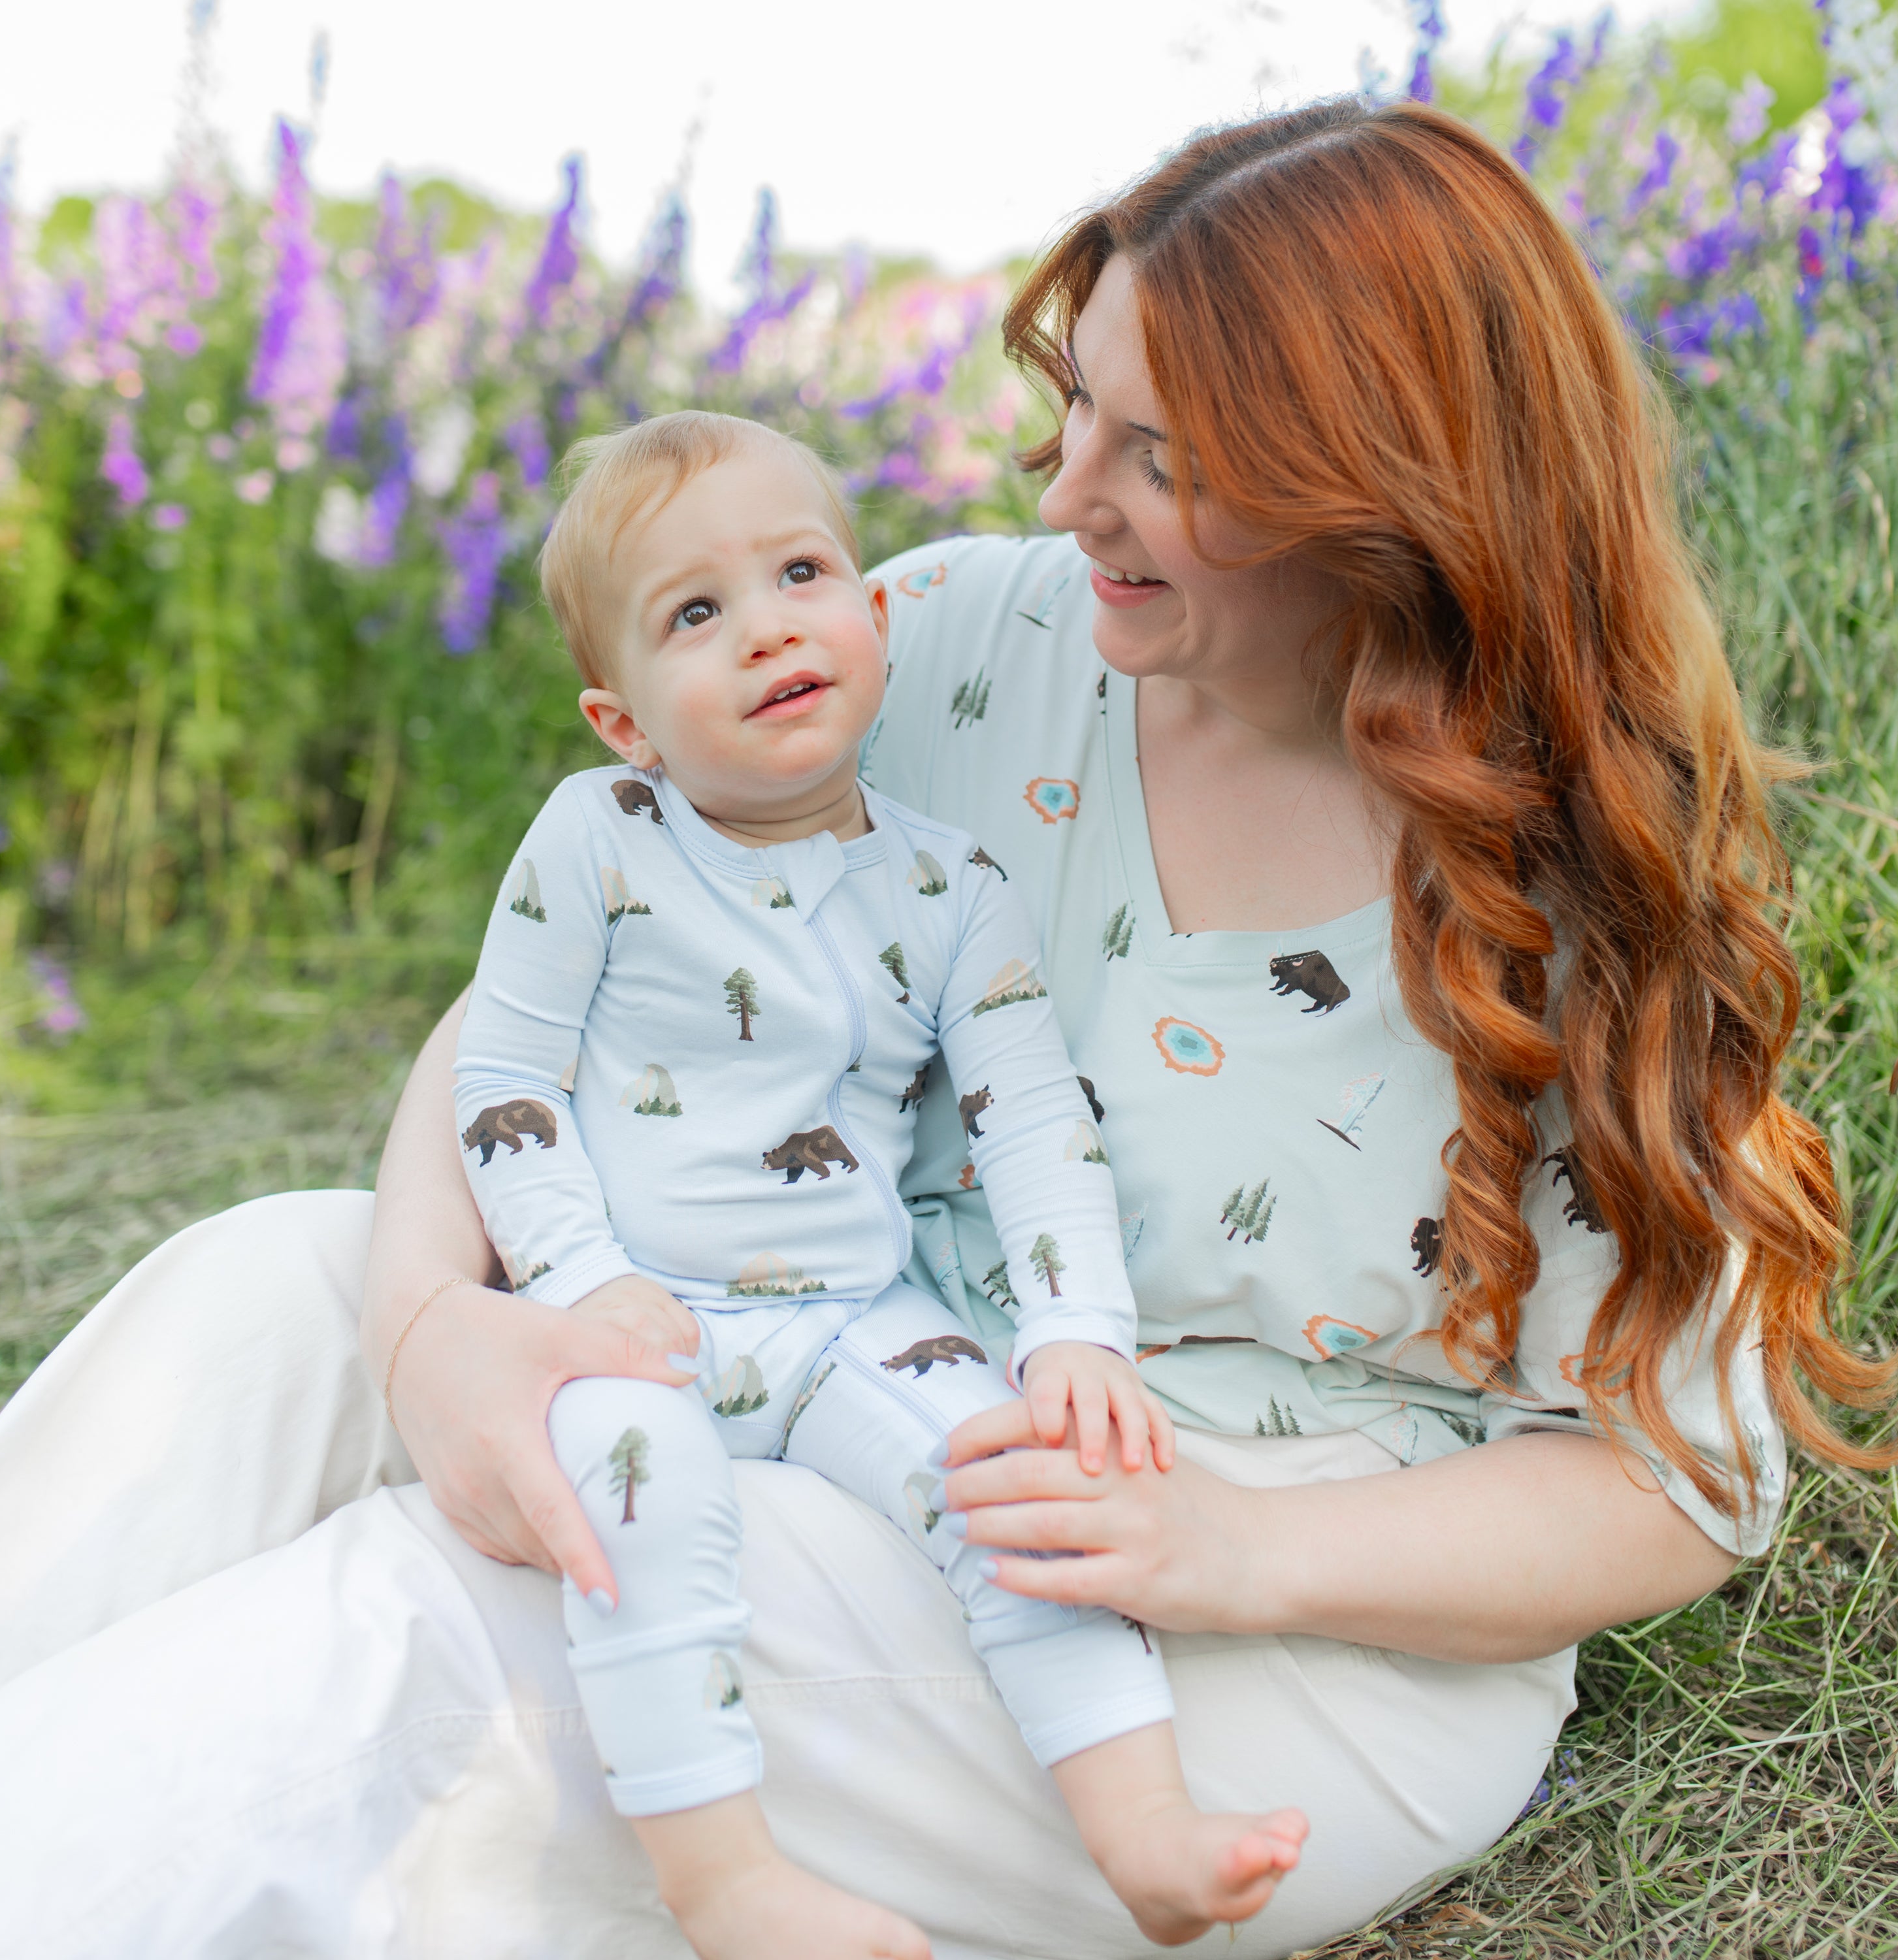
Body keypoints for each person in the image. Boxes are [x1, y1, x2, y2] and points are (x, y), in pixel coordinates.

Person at [0, 99, 1898, 1960]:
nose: (1064, 495)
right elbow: (535, 999)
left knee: (443, 1628)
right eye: (1076, 414)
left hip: (1210, 1622)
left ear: (1375, 483)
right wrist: (439, 1332)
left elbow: (1677, 1487)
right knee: (259, 1299)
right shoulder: (967, 635)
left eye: (1157, 454)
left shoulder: (1585, 882)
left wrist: (1226, 1550)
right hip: (813, 1348)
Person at [452, 408, 1303, 1955]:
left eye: (799, 571)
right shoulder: (599, 844)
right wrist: (582, 1291)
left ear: (872, 614)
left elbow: (1032, 1115)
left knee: (1026, 1488)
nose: (767, 626)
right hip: (647, 1314)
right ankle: (723, 1878)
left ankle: (1145, 1830)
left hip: (862, 1313)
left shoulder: (947, 884)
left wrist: (1075, 1336)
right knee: (638, 1510)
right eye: (695, 615)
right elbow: (501, 1084)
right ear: (622, 720)